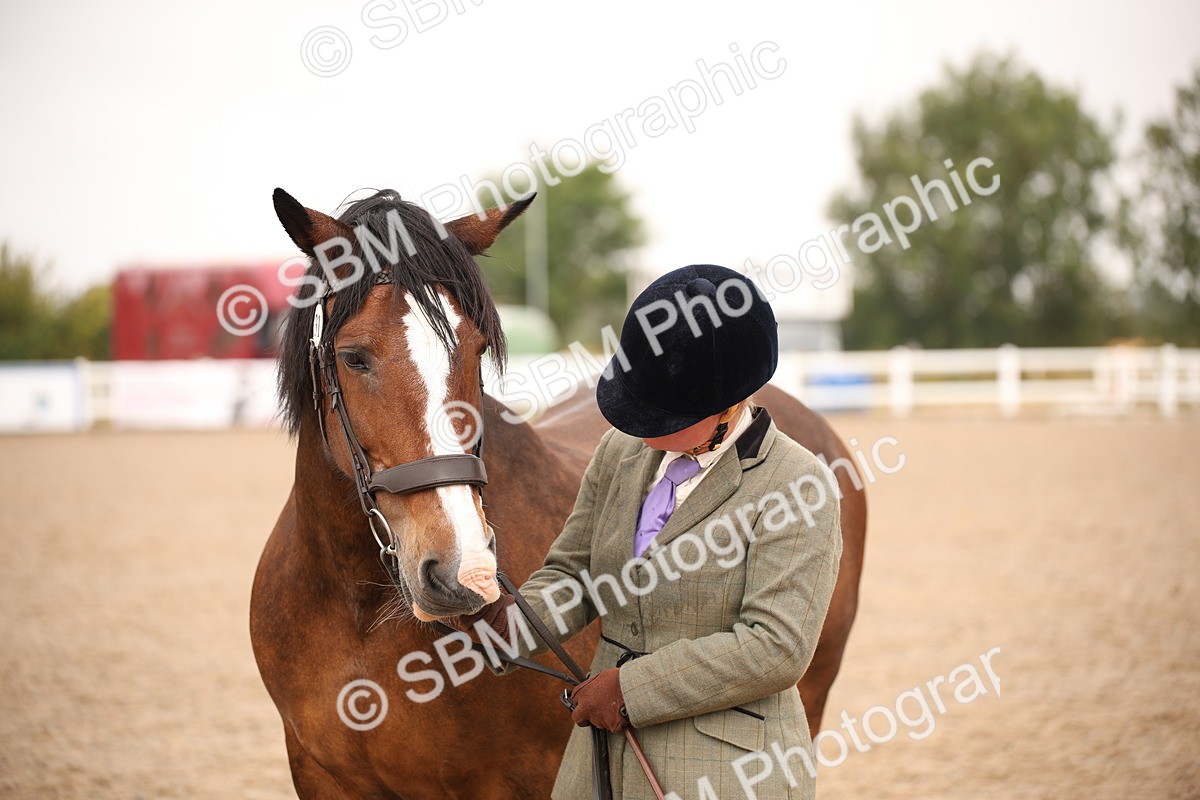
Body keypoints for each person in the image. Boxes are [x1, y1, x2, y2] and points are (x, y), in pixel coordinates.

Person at [466, 264, 842, 799]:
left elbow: (775, 647)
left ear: (725, 405)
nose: (637, 429)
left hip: (724, 765)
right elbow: (576, 572)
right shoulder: (619, 453)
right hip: (599, 760)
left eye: (658, 416)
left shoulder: (799, 487)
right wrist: (514, 624)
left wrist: (630, 690)